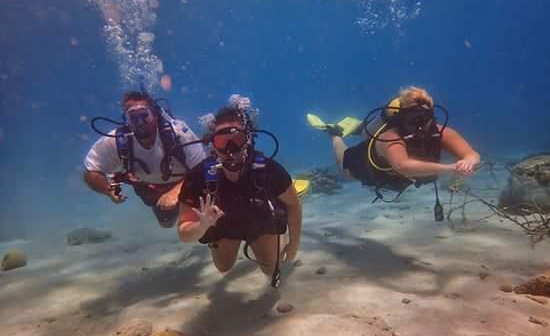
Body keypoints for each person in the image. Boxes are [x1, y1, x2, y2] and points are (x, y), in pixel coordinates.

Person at [177, 96, 302, 287]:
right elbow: (184, 233)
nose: (230, 150)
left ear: (248, 139)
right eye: (222, 141)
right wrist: (202, 227)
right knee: (223, 267)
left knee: (271, 269)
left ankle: (277, 237)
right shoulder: (198, 177)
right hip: (224, 226)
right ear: (213, 144)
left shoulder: (268, 169)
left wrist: (293, 244)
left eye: (236, 139)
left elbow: (293, 204)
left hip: (262, 222)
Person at [307, 86, 480, 219]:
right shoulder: (391, 136)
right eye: (413, 118)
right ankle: (335, 134)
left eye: (424, 117)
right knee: (345, 170)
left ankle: (360, 128)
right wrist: (450, 168)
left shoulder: (442, 132)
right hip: (367, 166)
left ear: (432, 116)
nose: (419, 125)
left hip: (396, 179)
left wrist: (469, 161)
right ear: (402, 118)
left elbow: (472, 154)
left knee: (359, 144)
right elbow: (403, 166)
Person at [84, 90, 206, 228]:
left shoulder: (178, 133)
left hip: (186, 182)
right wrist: (107, 190)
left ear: (154, 115)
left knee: (196, 218)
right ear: (126, 120)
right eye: (133, 117)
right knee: (166, 223)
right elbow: (91, 171)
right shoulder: (117, 140)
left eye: (144, 115)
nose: (140, 122)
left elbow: (203, 168)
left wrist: (177, 191)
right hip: (148, 188)